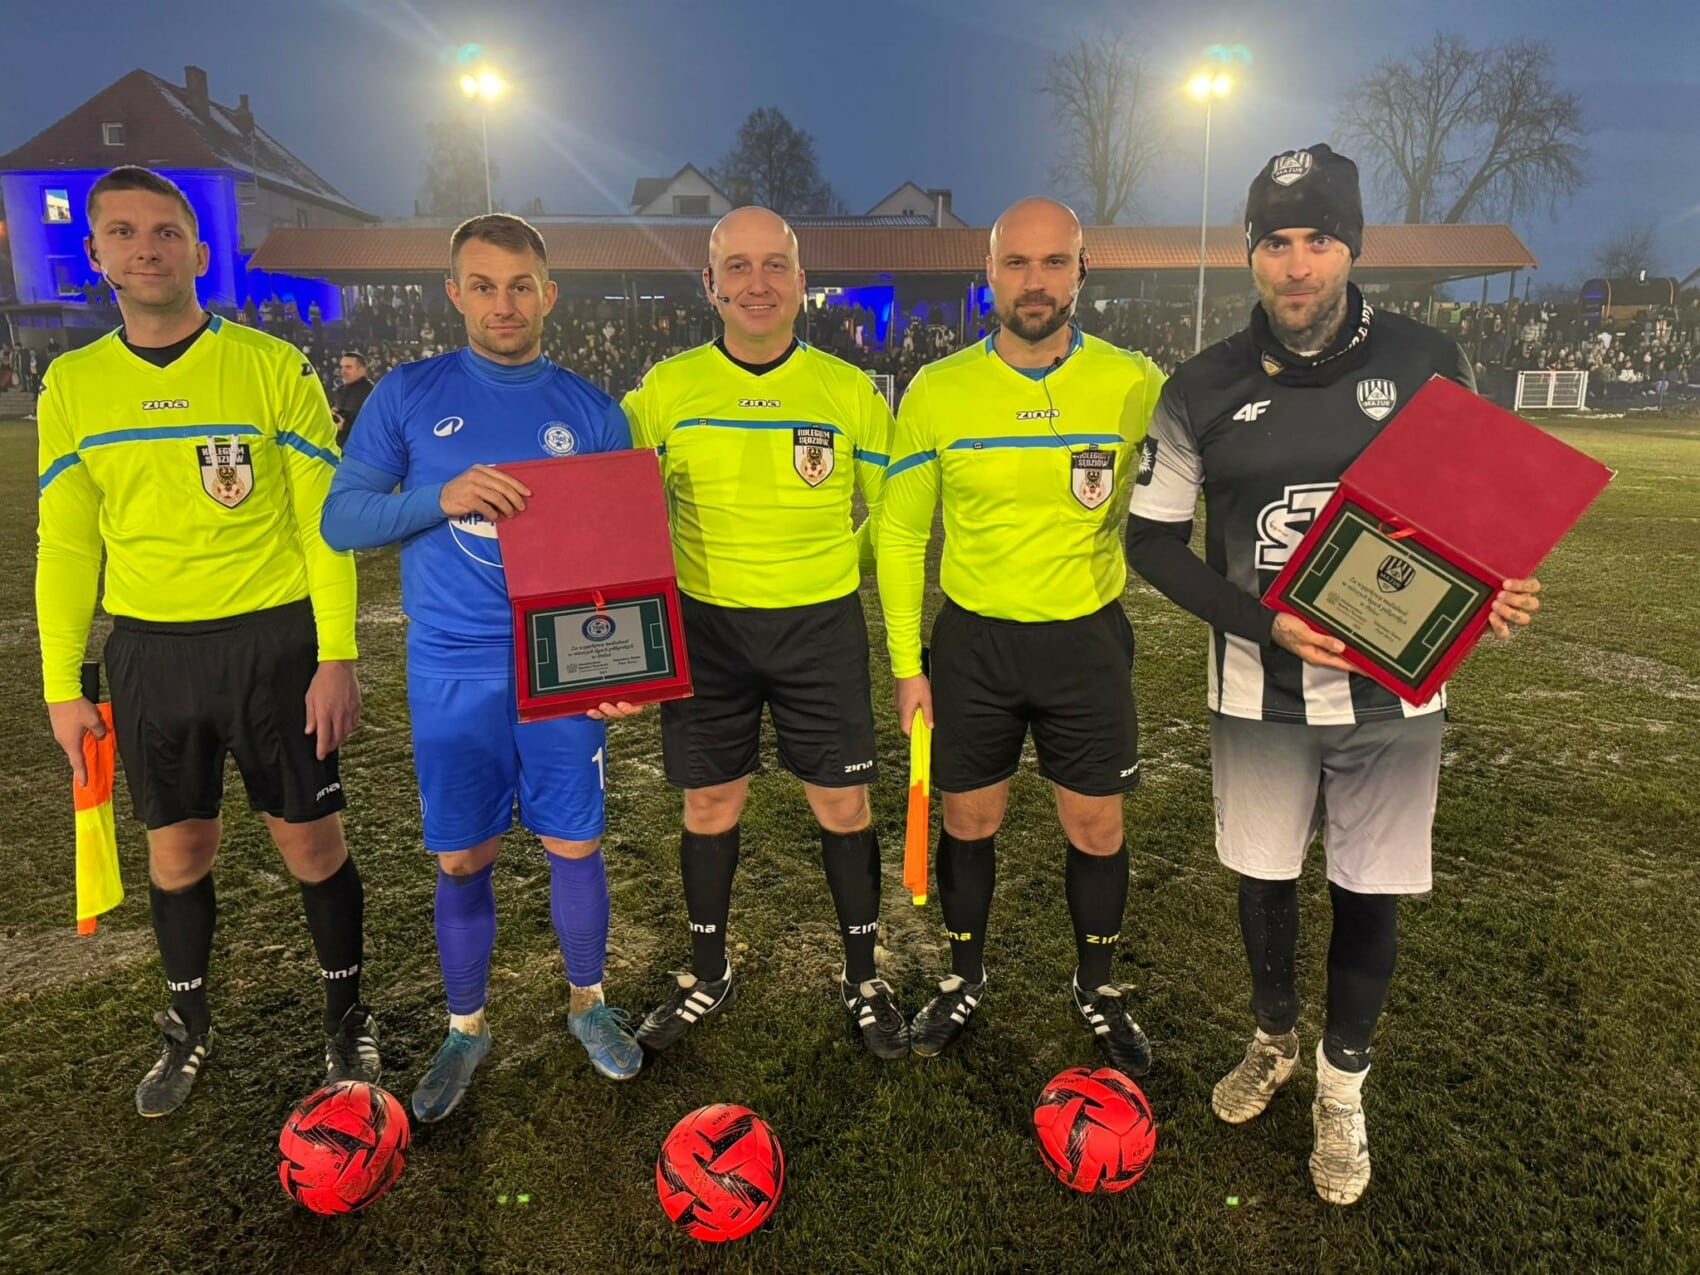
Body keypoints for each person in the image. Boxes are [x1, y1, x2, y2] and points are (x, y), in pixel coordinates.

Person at [1124, 144, 1544, 1205]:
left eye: (1319, 239)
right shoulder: (1199, 385)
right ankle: (1273, 1038)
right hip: (1256, 691)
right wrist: (1264, 625)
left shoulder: (1427, 360)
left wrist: (1495, 586)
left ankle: (1341, 1085)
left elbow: (1479, 516)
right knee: (1263, 879)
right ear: (1251, 254)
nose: (1297, 263)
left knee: (1369, 888)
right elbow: (1150, 541)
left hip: (1396, 690)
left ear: (1352, 247)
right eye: (1276, 241)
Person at [34, 166, 372, 1118]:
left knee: (312, 845)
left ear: (199, 249)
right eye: (124, 232)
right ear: (96, 254)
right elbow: (67, 543)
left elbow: (323, 522)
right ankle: (187, 1023)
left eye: (165, 231)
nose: (147, 247)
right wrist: (62, 685)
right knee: (178, 851)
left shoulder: (270, 365)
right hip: (151, 653)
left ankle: (347, 1017)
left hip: (274, 644)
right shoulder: (73, 383)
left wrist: (335, 654)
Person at [321, 213, 645, 1120]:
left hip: (561, 662)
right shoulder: (409, 393)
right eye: (484, 285)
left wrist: (619, 667)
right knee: (464, 854)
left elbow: (619, 554)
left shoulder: (591, 410)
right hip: (453, 662)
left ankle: (589, 1001)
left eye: (521, 285)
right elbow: (343, 518)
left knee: (574, 841)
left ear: (549, 294)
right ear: (455, 293)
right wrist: (443, 495)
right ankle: (466, 1026)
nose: (504, 303)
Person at [877, 197, 1165, 1073]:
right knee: (969, 819)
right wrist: (907, 665)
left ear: (1082, 270)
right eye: (1016, 263)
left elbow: (1203, 490)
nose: (1033, 282)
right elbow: (901, 533)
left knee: (1097, 826)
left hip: (1087, 641)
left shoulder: (1134, 382)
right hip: (975, 645)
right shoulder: (938, 389)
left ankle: (1097, 987)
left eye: (1052, 262)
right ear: (989, 274)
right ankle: (964, 978)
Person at [621, 207, 905, 1059]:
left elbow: (895, 515)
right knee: (710, 802)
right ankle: (707, 971)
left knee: (843, 803)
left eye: (774, 265)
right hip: (706, 630)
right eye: (737, 267)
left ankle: (864, 975)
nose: (757, 283)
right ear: (709, 284)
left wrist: (838, 562)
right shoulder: (665, 391)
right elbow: (623, 519)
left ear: (801, 282)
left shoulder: (849, 390)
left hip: (821, 629)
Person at [330, 351, 373, 448]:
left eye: (348, 367)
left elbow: (375, 427)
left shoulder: (372, 393)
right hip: (338, 449)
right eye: (342, 367)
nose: (343, 371)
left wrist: (345, 426)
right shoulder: (340, 391)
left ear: (362, 370)